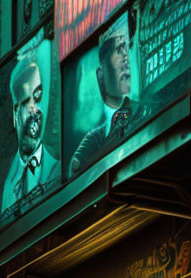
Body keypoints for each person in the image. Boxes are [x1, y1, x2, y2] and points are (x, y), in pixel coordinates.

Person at [69, 16, 143, 176]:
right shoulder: (93, 138)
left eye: (127, 47)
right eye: (118, 49)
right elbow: (74, 172)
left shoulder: (145, 108)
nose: (125, 58)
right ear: (100, 75)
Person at [0, 50, 59, 215]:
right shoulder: (7, 188)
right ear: (16, 112)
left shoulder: (57, 169)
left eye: (38, 97)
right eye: (28, 101)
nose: (35, 109)